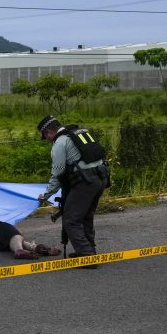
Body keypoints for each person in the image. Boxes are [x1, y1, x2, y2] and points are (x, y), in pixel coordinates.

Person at [36, 115, 109, 268]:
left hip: (85, 183)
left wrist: (45, 195)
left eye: (46, 137)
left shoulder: (60, 143)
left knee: (71, 219)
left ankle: (86, 256)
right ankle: (89, 251)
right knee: (85, 217)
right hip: (101, 178)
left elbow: (57, 174)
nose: (48, 140)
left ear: (49, 131)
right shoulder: (78, 132)